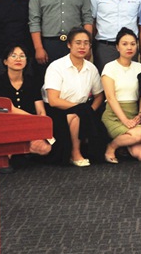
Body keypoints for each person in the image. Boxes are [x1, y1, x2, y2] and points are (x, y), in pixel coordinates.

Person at [43, 27, 104, 166]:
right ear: (69, 44)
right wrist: (81, 109)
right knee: (75, 116)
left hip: (83, 109)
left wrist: (90, 111)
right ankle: (75, 153)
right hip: (57, 110)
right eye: (78, 42)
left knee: (82, 116)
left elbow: (99, 96)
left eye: (86, 43)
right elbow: (53, 101)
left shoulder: (91, 68)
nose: (82, 47)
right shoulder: (56, 66)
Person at [0, 45, 52, 159]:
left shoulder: (32, 81)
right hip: (6, 125)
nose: (18, 59)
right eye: (13, 56)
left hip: (29, 126)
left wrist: (41, 128)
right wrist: (34, 120)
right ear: (5, 61)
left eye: (22, 56)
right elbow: (8, 108)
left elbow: (40, 110)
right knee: (6, 155)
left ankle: (21, 149)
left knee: (45, 149)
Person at [100, 28, 141, 164]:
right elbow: (110, 98)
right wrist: (125, 120)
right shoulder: (110, 67)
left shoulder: (140, 68)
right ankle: (112, 147)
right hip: (114, 116)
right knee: (140, 133)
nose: (129, 47)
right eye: (125, 44)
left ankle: (124, 144)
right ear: (117, 47)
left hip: (134, 115)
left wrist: (140, 114)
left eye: (133, 44)